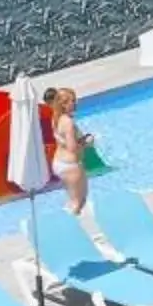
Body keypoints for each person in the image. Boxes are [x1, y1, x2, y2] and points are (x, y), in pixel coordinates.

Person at [45, 87, 92, 215]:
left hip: (59, 163)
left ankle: (68, 225)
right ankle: (68, 228)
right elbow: (72, 148)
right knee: (79, 202)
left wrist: (80, 140)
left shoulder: (55, 118)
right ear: (64, 104)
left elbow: (63, 141)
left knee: (73, 200)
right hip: (71, 166)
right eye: (73, 101)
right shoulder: (68, 122)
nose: (75, 103)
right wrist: (87, 143)